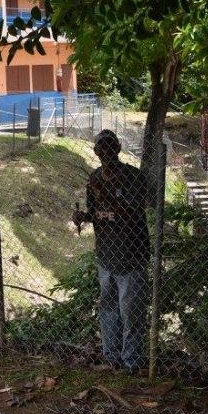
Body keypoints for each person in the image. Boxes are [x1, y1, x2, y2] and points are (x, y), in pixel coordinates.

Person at [72, 130, 151, 373]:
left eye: (110, 147)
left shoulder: (133, 176)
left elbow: (133, 214)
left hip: (132, 256)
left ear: (118, 147)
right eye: (100, 148)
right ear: (95, 151)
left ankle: (132, 363)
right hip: (105, 256)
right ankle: (111, 358)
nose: (105, 152)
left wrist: (104, 193)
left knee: (132, 314)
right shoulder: (94, 178)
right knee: (108, 311)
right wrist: (82, 217)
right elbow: (96, 213)